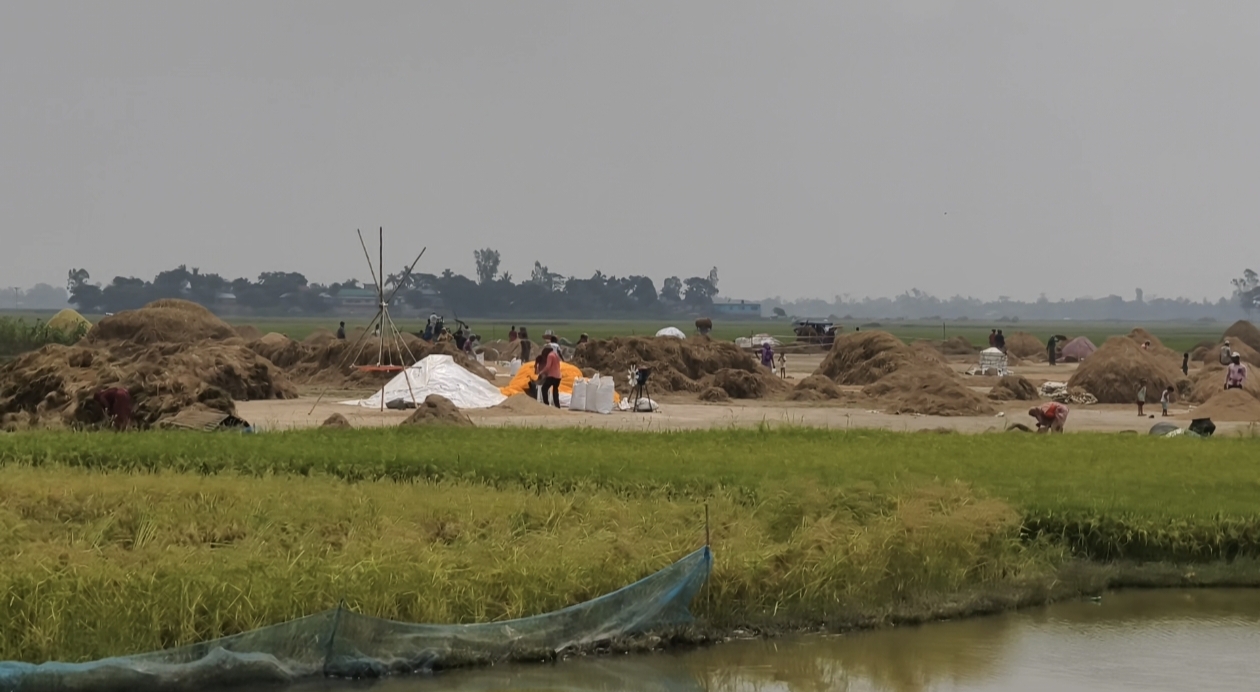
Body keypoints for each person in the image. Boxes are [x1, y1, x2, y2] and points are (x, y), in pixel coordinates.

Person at [541, 344, 562, 408]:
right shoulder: (556, 355)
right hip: (558, 376)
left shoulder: (550, 355)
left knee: (544, 388)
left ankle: (546, 404)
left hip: (552, 376)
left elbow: (548, 367)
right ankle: (557, 405)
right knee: (555, 390)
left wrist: (541, 372)